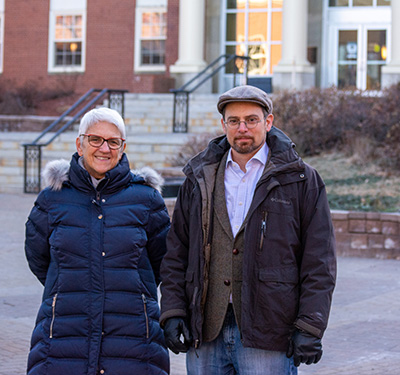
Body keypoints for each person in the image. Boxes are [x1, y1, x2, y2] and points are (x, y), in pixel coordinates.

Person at [159, 85, 337, 375]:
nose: (242, 128)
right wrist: (173, 311)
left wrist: (310, 325)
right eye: (234, 121)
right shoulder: (199, 178)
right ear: (223, 125)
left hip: (269, 330)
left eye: (251, 120)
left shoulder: (301, 180)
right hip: (205, 330)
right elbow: (177, 251)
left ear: (268, 122)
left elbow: (319, 262)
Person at [25, 107, 170, 375]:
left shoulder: (147, 200)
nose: (105, 148)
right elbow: (39, 258)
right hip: (64, 337)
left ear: (122, 147)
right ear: (80, 144)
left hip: (133, 340)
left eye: (113, 141)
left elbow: (163, 262)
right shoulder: (52, 200)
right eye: (95, 139)